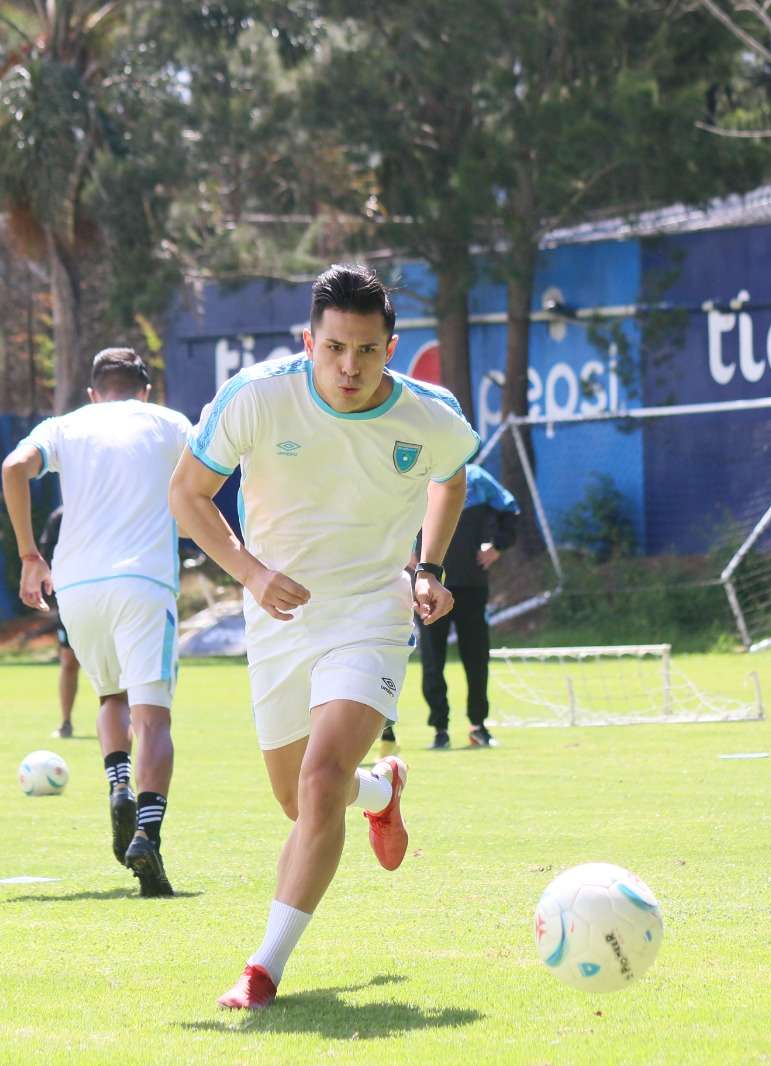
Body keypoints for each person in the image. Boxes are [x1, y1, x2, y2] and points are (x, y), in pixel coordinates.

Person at [170, 263, 479, 1009]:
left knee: (317, 782)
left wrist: (428, 567)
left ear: (391, 348)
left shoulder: (428, 416)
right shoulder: (256, 399)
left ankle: (263, 968)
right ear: (309, 340)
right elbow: (187, 494)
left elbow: (452, 477)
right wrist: (248, 571)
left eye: (368, 351)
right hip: (276, 616)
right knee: (297, 799)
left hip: (373, 611)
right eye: (335, 347)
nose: (350, 367)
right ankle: (382, 788)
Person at [1, 348, 192, 897]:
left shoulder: (65, 426)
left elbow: (14, 467)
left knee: (111, 697)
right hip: (144, 582)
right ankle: (148, 836)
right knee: (153, 718)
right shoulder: (169, 423)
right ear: (146, 390)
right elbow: (214, 472)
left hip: (76, 585)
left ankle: (118, 785)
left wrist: (29, 555)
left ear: (92, 393)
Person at [381, 461, 520, 754]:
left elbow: (512, 511)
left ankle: (478, 726)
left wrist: (497, 546)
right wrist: (407, 555)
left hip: (471, 584)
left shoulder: (478, 479)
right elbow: (390, 517)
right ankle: (440, 728)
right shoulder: (413, 478)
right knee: (433, 658)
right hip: (428, 587)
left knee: (476, 656)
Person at [37, 505, 81, 740]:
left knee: (117, 663)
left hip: (110, 595)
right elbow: (47, 558)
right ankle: (66, 722)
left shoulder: (110, 507)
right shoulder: (60, 517)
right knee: (69, 661)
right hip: (71, 598)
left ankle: (127, 721)